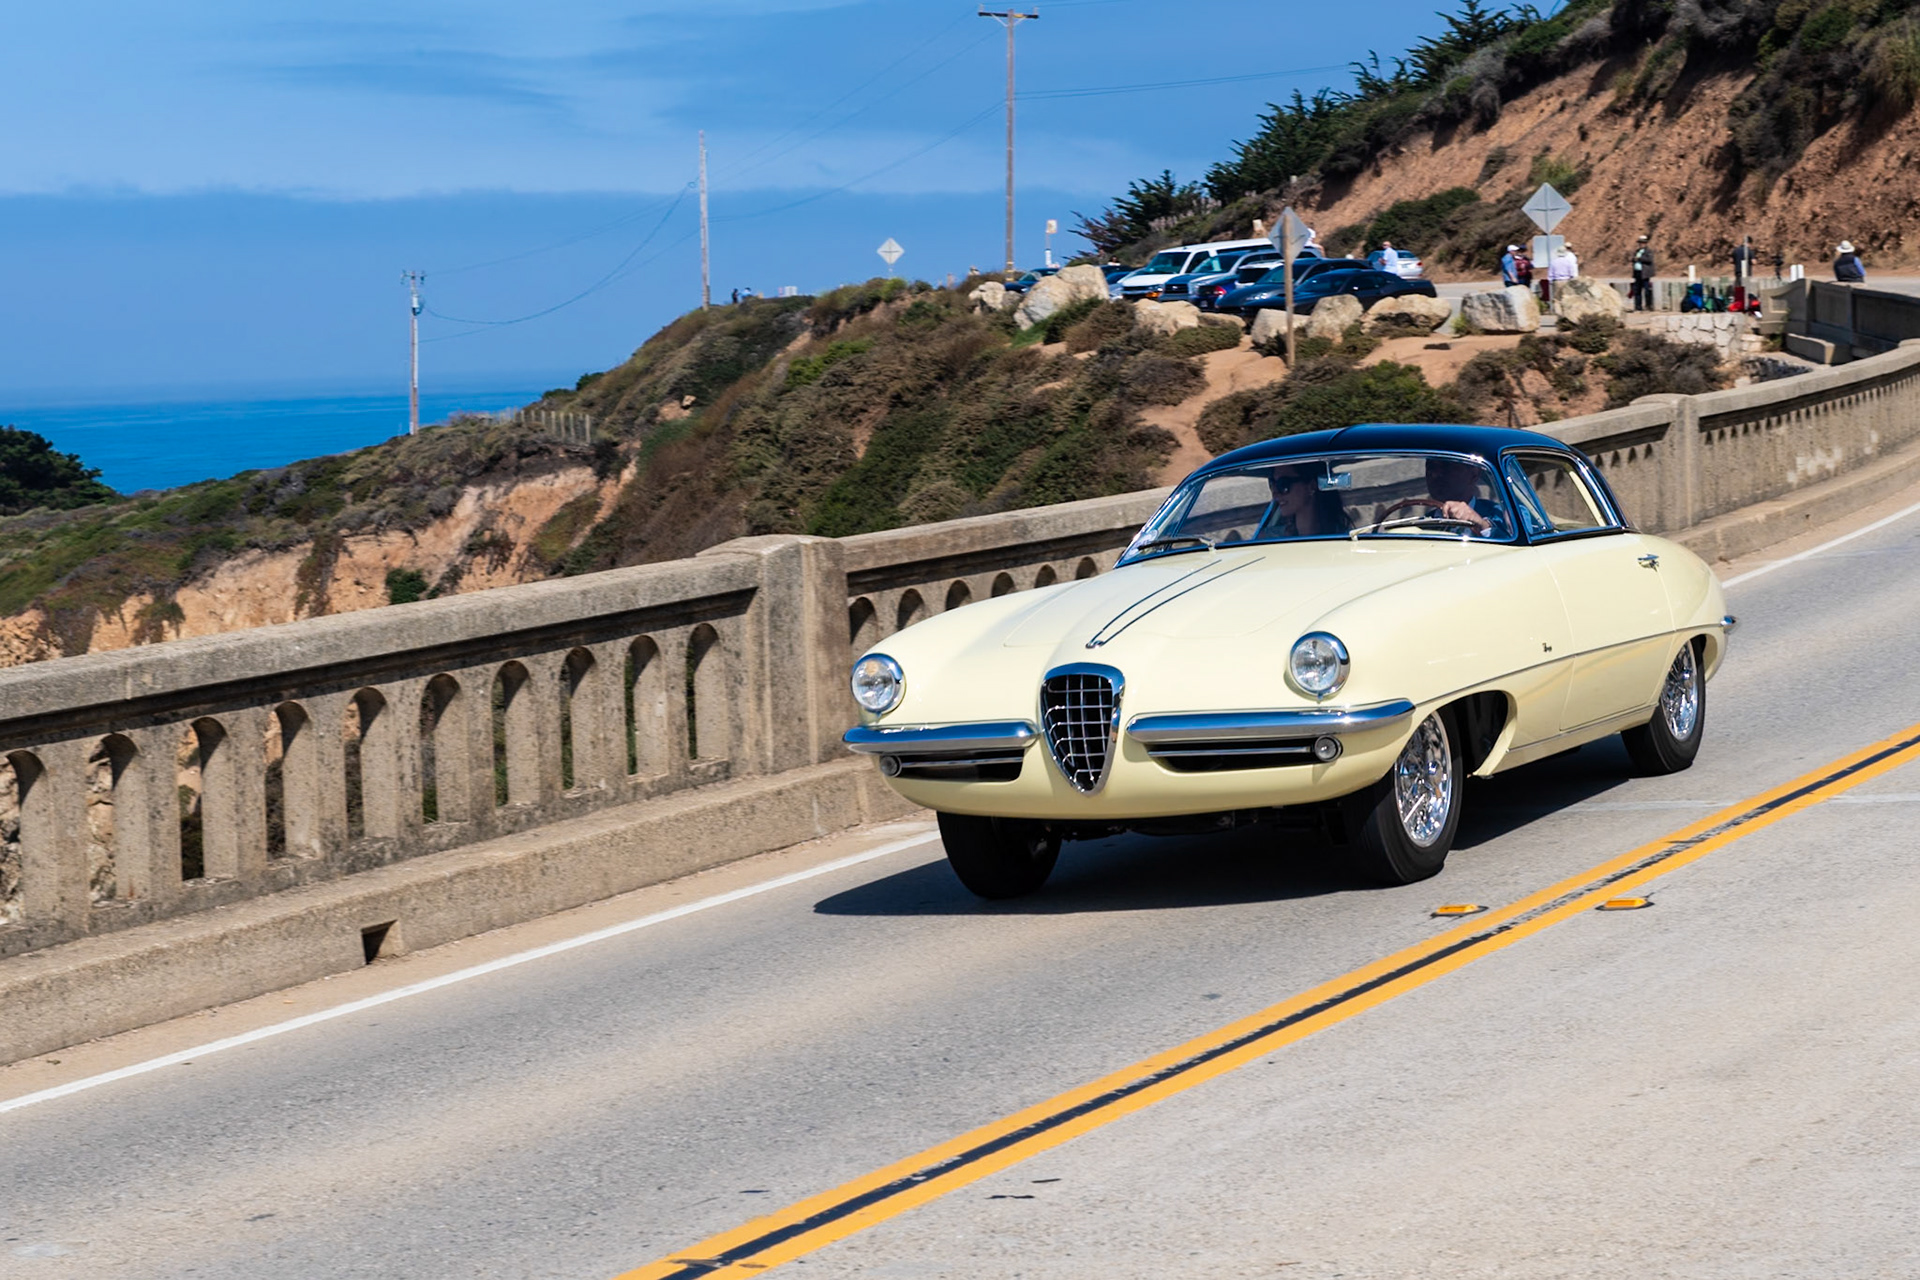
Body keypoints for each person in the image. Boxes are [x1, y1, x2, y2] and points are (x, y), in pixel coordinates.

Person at [1424, 457, 1507, 538]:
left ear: (1474, 474)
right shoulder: (1421, 523)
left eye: (1446, 466)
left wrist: (1483, 525)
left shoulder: (1503, 516)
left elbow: (1512, 547)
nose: (1435, 474)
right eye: (1430, 467)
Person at [1257, 465, 1348, 538]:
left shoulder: (1347, 537)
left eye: (1283, 484)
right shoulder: (1267, 539)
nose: (1275, 494)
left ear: (1311, 486)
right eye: (1272, 484)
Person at [1629, 235, 1656, 312]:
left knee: (1647, 290)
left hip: (1645, 273)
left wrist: (1639, 259)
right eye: (1640, 243)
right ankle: (1638, 306)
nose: (1641, 244)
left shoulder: (1648, 251)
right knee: (1637, 290)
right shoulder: (1637, 251)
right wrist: (1634, 259)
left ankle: (1648, 306)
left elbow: (1649, 260)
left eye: (1643, 243)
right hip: (1637, 272)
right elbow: (1633, 259)